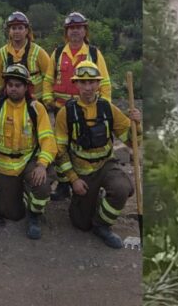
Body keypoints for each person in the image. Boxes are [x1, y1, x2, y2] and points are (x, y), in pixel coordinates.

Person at [54, 61, 141, 248]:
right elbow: (60, 152)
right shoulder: (65, 113)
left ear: (98, 84)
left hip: (105, 165)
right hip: (81, 170)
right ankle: (88, 204)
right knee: (80, 224)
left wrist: (137, 125)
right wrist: (73, 179)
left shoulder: (108, 108)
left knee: (121, 188)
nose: (87, 87)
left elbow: (131, 141)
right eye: (83, 82)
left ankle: (102, 226)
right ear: (76, 84)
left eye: (92, 82)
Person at [0, 64, 56, 239]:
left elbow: (48, 140)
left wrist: (42, 165)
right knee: (11, 214)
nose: (13, 88)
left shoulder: (35, 108)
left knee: (41, 186)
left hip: (28, 161)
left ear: (26, 87)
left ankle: (34, 216)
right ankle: (20, 196)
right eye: (10, 85)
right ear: (6, 86)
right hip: (4, 166)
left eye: (18, 85)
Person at [44, 12, 111, 200]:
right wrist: (49, 100)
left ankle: (87, 181)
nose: (75, 31)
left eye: (79, 28)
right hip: (61, 110)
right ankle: (64, 184)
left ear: (85, 30)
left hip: (87, 108)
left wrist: (104, 107)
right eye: (72, 28)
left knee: (84, 145)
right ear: (66, 31)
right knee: (61, 147)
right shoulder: (57, 53)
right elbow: (48, 80)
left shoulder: (94, 53)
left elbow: (104, 83)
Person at [0, 11, 50, 102]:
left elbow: (49, 77)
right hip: (9, 102)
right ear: (9, 31)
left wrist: (47, 99)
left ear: (26, 30)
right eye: (13, 28)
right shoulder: (2, 52)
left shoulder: (38, 52)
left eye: (20, 28)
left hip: (35, 102)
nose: (17, 31)